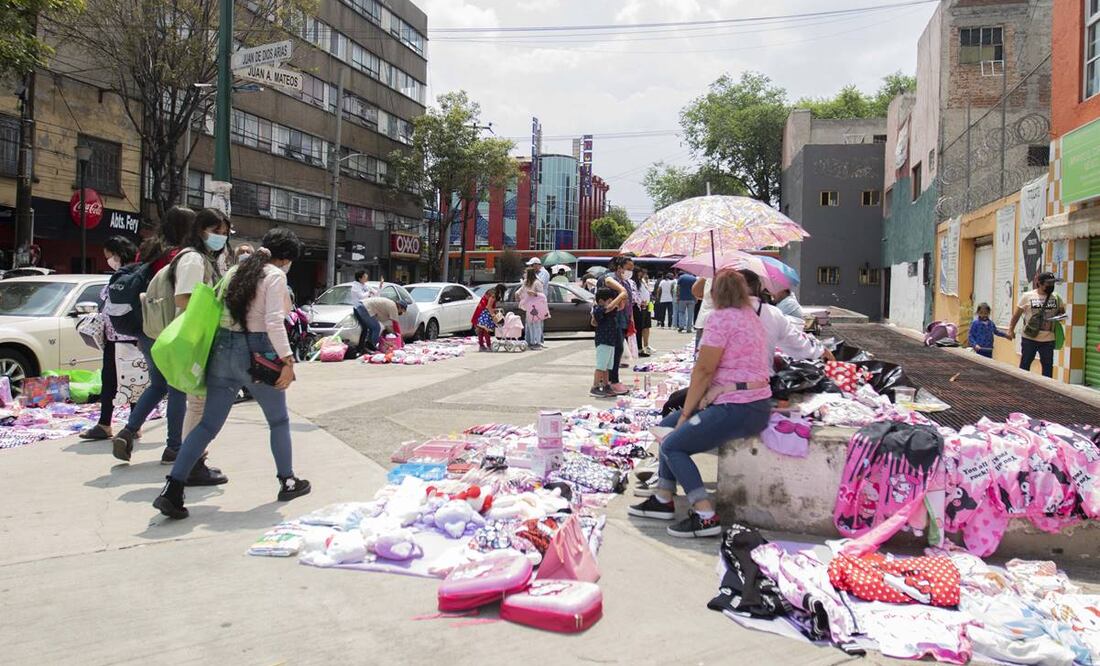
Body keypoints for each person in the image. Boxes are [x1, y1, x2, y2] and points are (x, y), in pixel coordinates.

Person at [153, 228, 310, 519]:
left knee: (207, 425)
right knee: (278, 420)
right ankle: (287, 481)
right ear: (286, 258)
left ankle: (172, 488)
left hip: (222, 351)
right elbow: (274, 321)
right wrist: (288, 361)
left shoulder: (235, 271)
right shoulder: (275, 276)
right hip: (258, 352)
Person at [628, 270, 771, 538]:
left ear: (713, 294)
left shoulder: (719, 319)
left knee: (672, 444)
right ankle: (663, 496)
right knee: (666, 425)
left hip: (737, 406)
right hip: (754, 403)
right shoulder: (751, 316)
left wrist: (687, 413)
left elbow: (704, 370)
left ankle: (704, 514)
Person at [112, 207, 228, 487]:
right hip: (180, 335)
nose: (221, 238)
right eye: (216, 231)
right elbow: (183, 298)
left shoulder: (157, 250)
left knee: (165, 388)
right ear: (196, 229)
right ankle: (182, 455)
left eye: (224, 233)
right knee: (188, 397)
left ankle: (136, 433)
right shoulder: (191, 259)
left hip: (157, 330)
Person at [80, 235, 139, 441]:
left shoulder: (135, 276)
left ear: (118, 254)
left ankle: (131, 425)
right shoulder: (121, 276)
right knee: (111, 381)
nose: (108, 261)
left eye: (109, 256)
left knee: (132, 381)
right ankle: (106, 424)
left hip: (130, 338)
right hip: (114, 339)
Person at [1007, 271, 1064, 378]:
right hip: (1029, 338)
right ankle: (1022, 385)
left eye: (1053, 283)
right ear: (1040, 283)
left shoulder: (1056, 297)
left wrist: (1060, 316)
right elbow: (1016, 315)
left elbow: (1061, 313)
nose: (1051, 286)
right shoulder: (1027, 296)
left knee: (1048, 368)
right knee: (1025, 364)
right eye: (1048, 283)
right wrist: (1010, 330)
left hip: (1048, 340)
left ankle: (1046, 388)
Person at [597, 256, 632, 394]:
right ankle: (610, 381)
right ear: (619, 268)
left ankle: (609, 381)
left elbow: (624, 302)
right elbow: (619, 294)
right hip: (610, 321)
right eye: (628, 268)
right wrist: (622, 294)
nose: (630, 271)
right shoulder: (610, 278)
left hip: (619, 319)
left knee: (615, 352)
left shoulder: (624, 281)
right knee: (614, 351)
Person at [590, 287, 620, 398]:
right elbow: (609, 307)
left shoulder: (609, 310)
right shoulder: (598, 309)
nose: (612, 303)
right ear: (601, 301)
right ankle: (595, 387)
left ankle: (606, 385)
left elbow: (616, 307)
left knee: (607, 367)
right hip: (603, 341)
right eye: (609, 300)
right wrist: (621, 294)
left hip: (610, 342)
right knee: (601, 366)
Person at [518, 267, 549, 350]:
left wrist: (534, 294)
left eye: (526, 273)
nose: (524, 274)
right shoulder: (525, 282)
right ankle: (532, 342)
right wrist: (518, 294)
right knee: (530, 325)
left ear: (529, 274)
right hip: (529, 306)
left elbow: (542, 295)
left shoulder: (537, 282)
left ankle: (537, 342)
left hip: (536, 306)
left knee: (537, 325)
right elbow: (521, 290)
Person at [472, 284, 505, 351]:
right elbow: (489, 306)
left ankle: (481, 346)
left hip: (480, 311)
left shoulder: (491, 291)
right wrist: (493, 316)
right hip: (485, 314)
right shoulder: (493, 295)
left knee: (481, 330)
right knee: (486, 330)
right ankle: (488, 346)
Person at [632, 268, 654, 356]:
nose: (642, 275)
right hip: (639, 307)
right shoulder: (634, 282)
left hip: (646, 306)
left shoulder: (642, 281)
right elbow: (635, 295)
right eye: (640, 273)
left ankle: (645, 346)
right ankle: (639, 348)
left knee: (645, 327)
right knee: (638, 328)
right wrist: (640, 302)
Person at [692, 274, 714, 352]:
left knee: (701, 354)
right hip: (728, 322)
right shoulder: (737, 274)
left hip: (704, 317)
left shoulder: (709, 273)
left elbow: (695, 291)